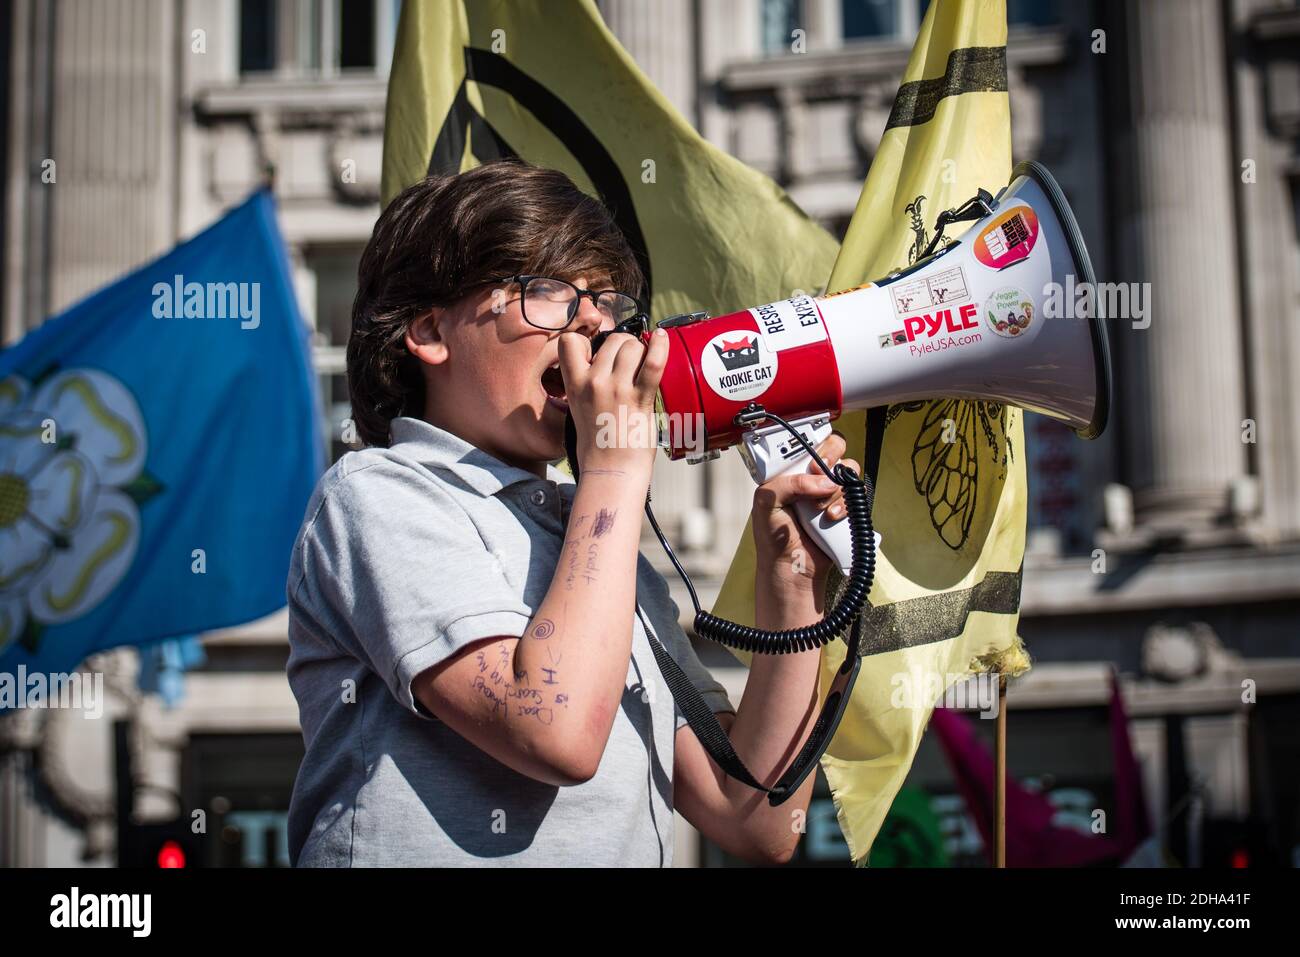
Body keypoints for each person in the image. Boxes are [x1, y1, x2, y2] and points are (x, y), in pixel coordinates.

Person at [285, 159, 859, 866]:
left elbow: (758, 821)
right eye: (548, 288)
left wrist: (792, 578)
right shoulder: (380, 494)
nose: (594, 320)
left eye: (607, 300)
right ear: (431, 331)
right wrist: (616, 466)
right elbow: (550, 728)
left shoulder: (594, 542)